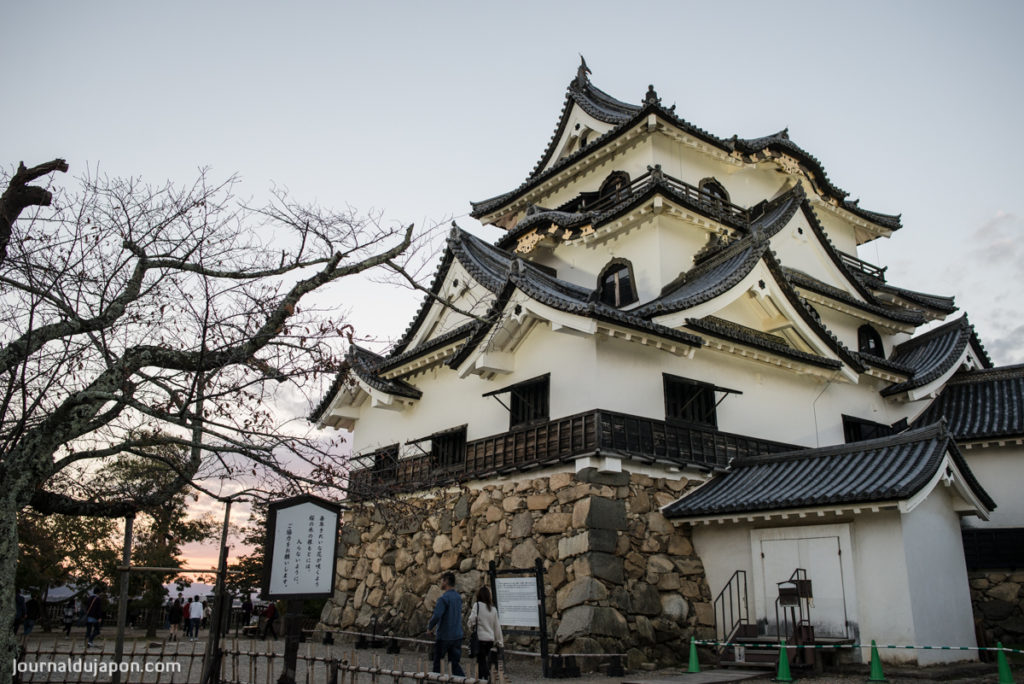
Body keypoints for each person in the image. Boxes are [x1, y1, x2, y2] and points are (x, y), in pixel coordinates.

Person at [427, 572, 464, 676]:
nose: (441, 583)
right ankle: (463, 681)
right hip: (457, 635)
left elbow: (437, 615)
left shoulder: (443, 599)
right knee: (454, 664)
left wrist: (430, 628)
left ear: (446, 581)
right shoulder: (458, 598)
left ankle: (435, 682)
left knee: (437, 663)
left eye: (442, 580)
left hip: (444, 636)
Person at [467, 586, 503, 680]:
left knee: (481, 661)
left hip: (480, 639)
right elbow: (497, 627)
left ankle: (488, 678)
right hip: (490, 640)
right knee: (482, 661)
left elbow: (471, 620)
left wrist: (471, 628)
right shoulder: (493, 609)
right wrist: (499, 642)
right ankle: (482, 678)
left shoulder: (477, 605)